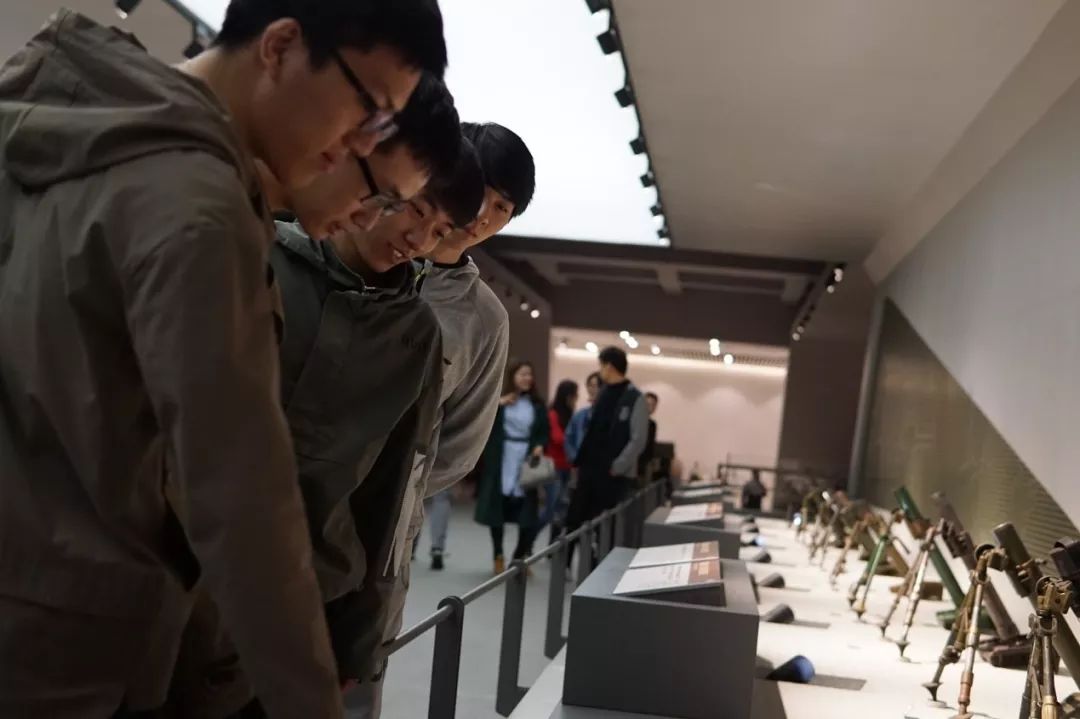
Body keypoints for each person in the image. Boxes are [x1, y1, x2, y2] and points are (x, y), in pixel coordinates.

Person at [0, 1, 446, 716]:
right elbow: (240, 494)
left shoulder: (60, 118)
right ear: (281, 46)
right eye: (368, 109)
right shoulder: (197, 206)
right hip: (70, 645)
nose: (357, 142)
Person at [166, 79, 483, 719]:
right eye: (417, 211)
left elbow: (392, 491)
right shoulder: (261, 256)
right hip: (182, 571)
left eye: (441, 230)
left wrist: (359, 642)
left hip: (308, 602)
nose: (420, 238)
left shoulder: (416, 334)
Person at [422, 122, 536, 570]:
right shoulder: (364, 249)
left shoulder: (485, 319)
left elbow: (460, 447)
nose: (483, 213)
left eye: (502, 206)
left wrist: (390, 487)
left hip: (380, 524)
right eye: (481, 190)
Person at [567, 347, 650, 543]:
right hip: (589, 470)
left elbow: (638, 439)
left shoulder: (635, 398)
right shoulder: (603, 393)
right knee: (575, 520)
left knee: (606, 529)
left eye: (601, 365)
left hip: (613, 475)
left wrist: (618, 466)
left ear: (609, 366)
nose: (600, 370)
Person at [475, 361, 551, 574]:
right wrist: (498, 404)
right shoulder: (499, 401)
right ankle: (498, 555)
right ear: (512, 376)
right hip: (502, 458)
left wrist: (539, 445)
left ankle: (519, 556)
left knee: (528, 513)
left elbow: (544, 431)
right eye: (522, 374)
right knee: (497, 510)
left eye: (529, 374)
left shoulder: (537, 404)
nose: (527, 378)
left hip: (526, 460)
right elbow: (483, 422)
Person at [543, 380, 579, 542]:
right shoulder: (553, 414)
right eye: (574, 395)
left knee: (561, 508)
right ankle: (528, 539)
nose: (576, 398)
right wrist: (572, 441)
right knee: (551, 508)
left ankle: (553, 543)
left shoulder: (571, 415)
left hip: (567, 466)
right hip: (554, 467)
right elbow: (557, 438)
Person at [565, 371, 602, 464]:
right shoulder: (579, 415)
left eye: (596, 386)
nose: (593, 389)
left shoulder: (610, 415)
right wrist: (575, 458)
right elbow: (568, 439)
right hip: (582, 464)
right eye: (590, 385)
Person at [638, 392, 660, 480]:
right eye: (647, 404)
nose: (649, 407)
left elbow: (650, 445)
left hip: (645, 463)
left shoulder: (652, 425)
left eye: (652, 405)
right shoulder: (633, 421)